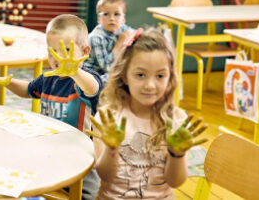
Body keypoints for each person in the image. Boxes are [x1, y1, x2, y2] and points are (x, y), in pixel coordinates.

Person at [0, 14, 102, 199]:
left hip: (80, 156)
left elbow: (92, 88)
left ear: (84, 51)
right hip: (49, 149)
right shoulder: (48, 78)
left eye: (66, 50)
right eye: (52, 52)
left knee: (89, 196)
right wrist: (7, 83)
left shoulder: (85, 80)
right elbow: (28, 90)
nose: (58, 58)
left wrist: (75, 72)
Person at [86, 28, 208, 199]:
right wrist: (111, 149)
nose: (150, 85)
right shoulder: (109, 118)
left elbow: (175, 182)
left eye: (160, 76)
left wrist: (177, 154)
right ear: (124, 76)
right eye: (141, 75)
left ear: (170, 78)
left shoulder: (177, 119)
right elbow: (105, 176)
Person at [84, 0, 136, 82]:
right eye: (106, 14)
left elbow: (135, 33)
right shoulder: (96, 37)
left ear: (123, 19)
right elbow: (107, 67)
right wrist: (120, 43)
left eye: (116, 14)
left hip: (109, 71)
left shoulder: (122, 28)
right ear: (99, 19)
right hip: (93, 75)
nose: (112, 18)